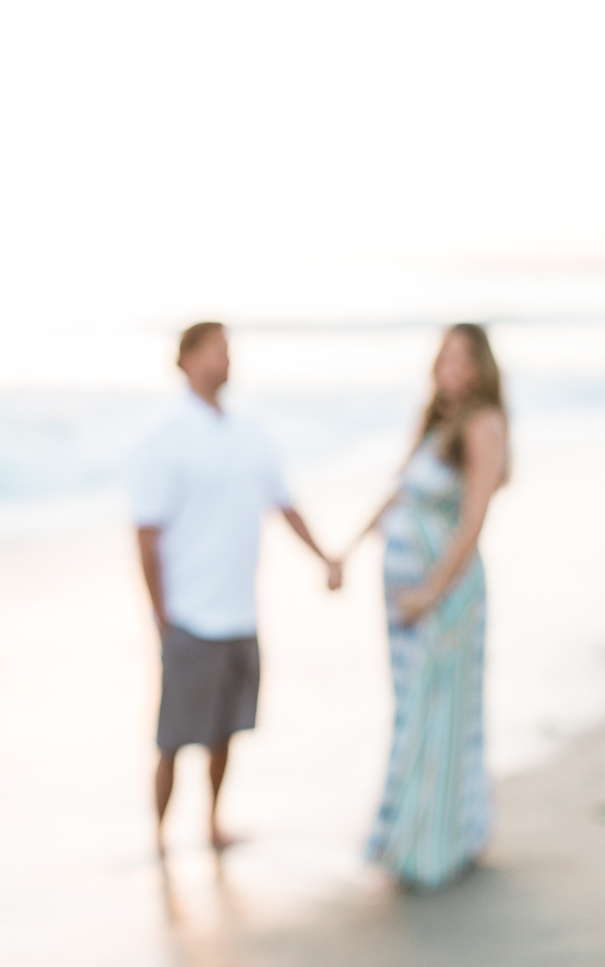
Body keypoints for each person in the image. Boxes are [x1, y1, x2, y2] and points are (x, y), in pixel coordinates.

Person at [130, 321, 342, 857]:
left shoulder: (250, 432)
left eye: (228, 350)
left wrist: (324, 558)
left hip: (240, 612)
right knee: (175, 735)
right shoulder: (164, 438)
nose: (225, 360)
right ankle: (158, 836)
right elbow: (146, 533)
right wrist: (161, 615)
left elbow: (284, 503)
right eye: (215, 351)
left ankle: (213, 822)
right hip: (189, 615)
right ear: (186, 361)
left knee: (227, 728)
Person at [349, 323, 508, 889]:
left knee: (436, 712)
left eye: (462, 361)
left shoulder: (484, 425)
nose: (451, 370)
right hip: (408, 601)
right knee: (414, 711)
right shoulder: (437, 421)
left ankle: (435, 845)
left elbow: (473, 520)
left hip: (445, 599)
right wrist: (347, 548)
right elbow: (400, 492)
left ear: (482, 367)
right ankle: (415, 835)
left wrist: (431, 592)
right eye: (444, 359)